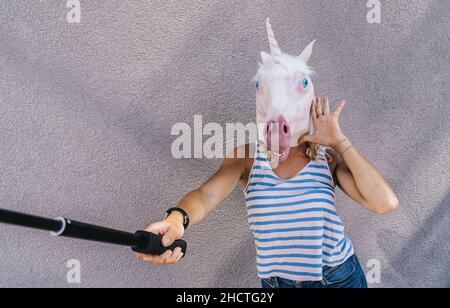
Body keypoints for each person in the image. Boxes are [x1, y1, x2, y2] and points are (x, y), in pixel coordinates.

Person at [134, 97, 399, 288]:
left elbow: (384, 203)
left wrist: (339, 142)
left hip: (337, 277)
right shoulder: (246, 157)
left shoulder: (326, 159)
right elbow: (205, 196)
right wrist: (175, 219)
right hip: (277, 283)